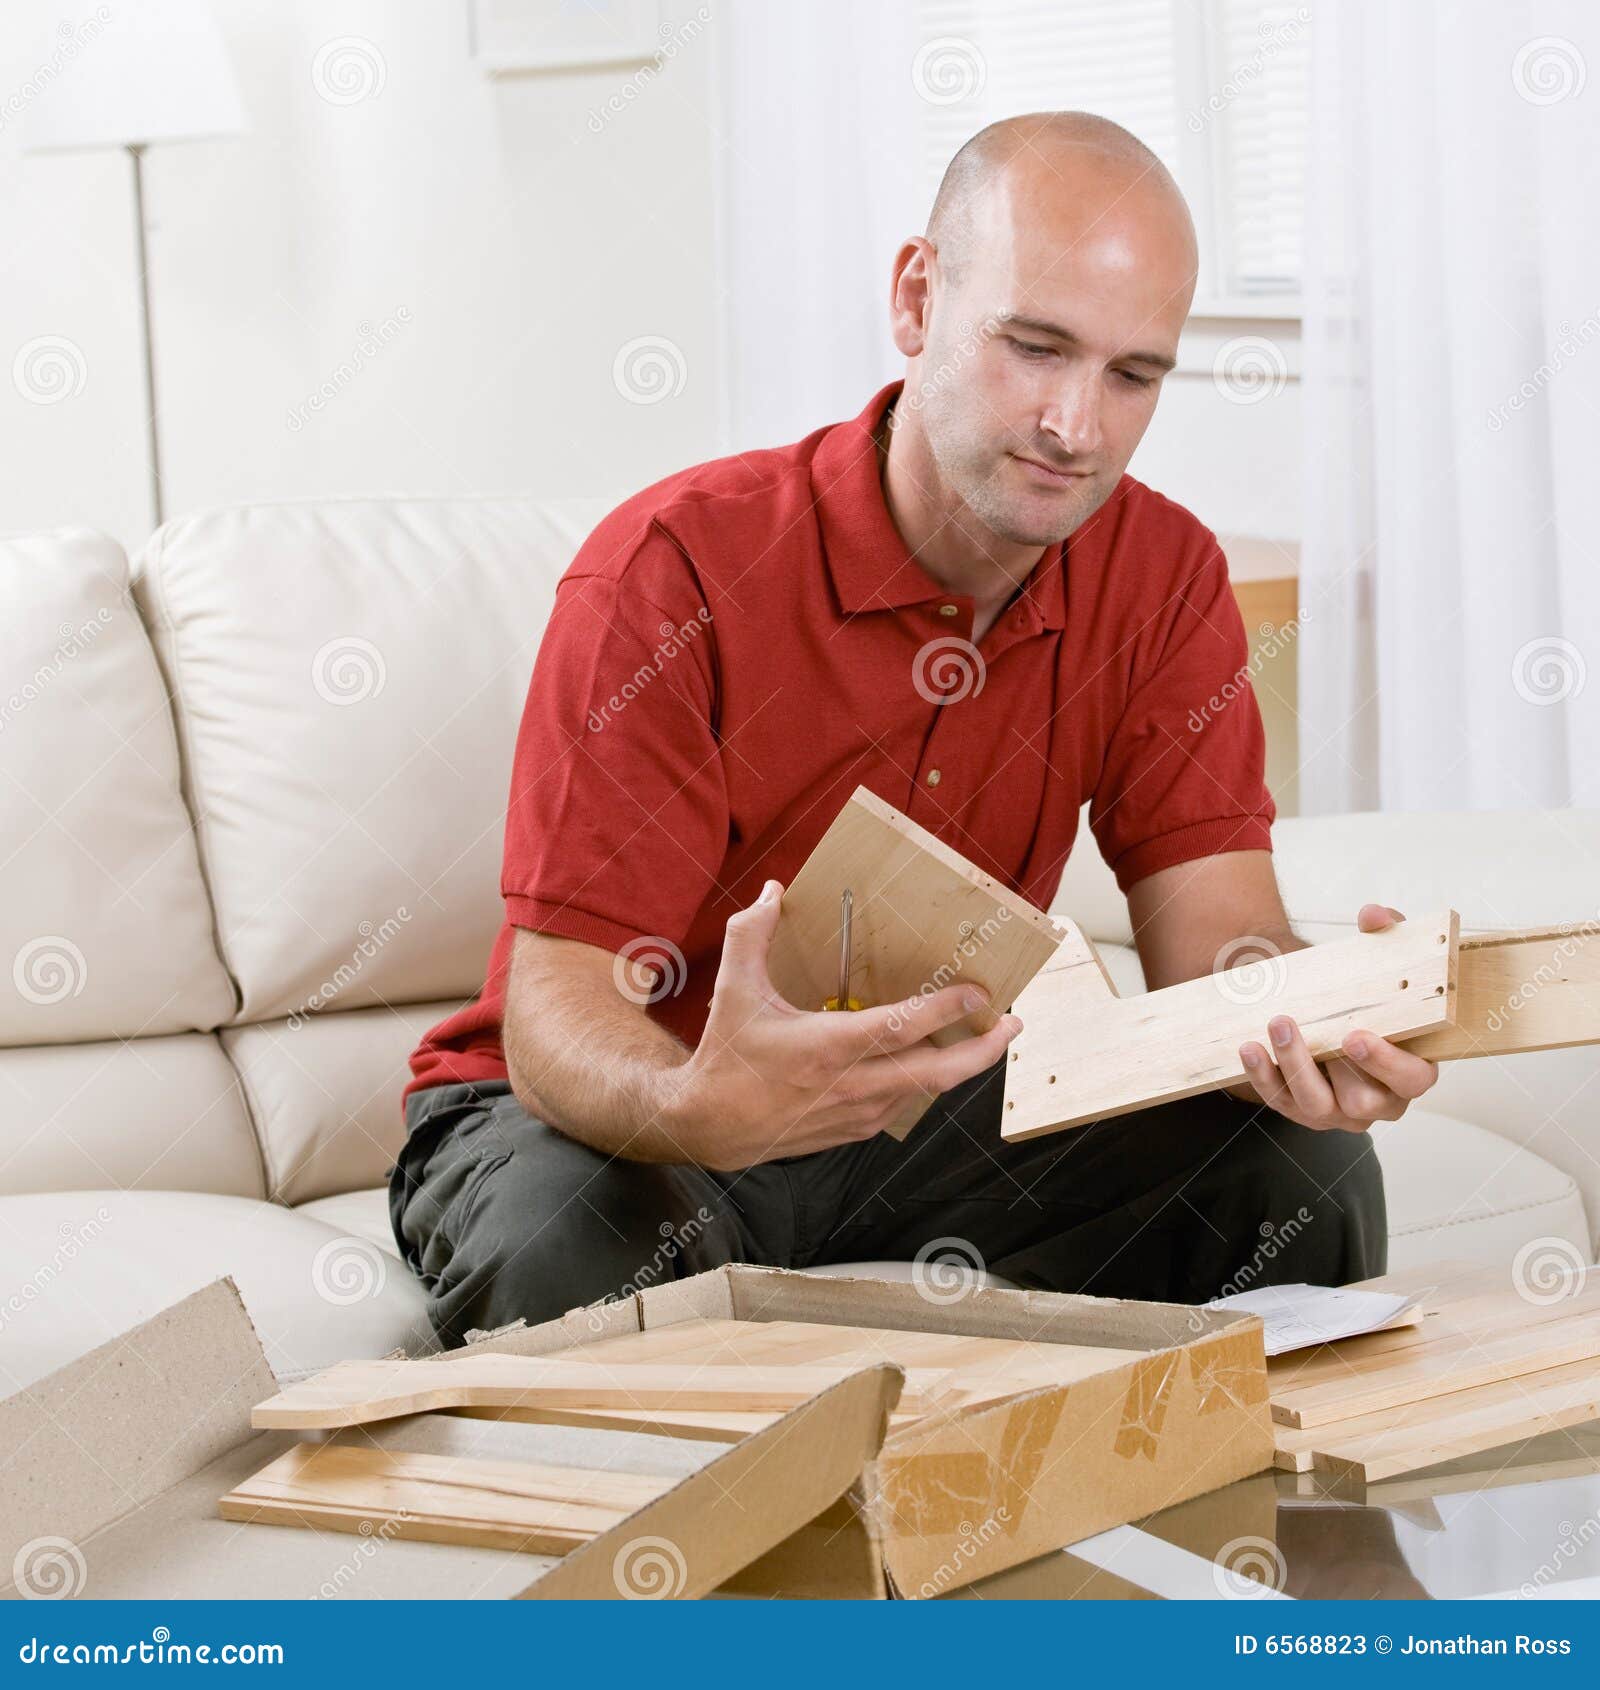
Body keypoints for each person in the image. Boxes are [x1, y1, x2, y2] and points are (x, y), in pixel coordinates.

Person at [390, 112, 1438, 1347]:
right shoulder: (674, 570)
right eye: (1034, 348)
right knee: (569, 1246)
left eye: (1131, 376)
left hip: (925, 1104)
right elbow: (558, 1017)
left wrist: (1324, 1019)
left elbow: (1217, 947)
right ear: (917, 297)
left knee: (1297, 1172)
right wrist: (700, 1104)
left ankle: (1227, 1482)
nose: (1075, 426)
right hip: (626, 1112)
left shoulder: (1162, 575)